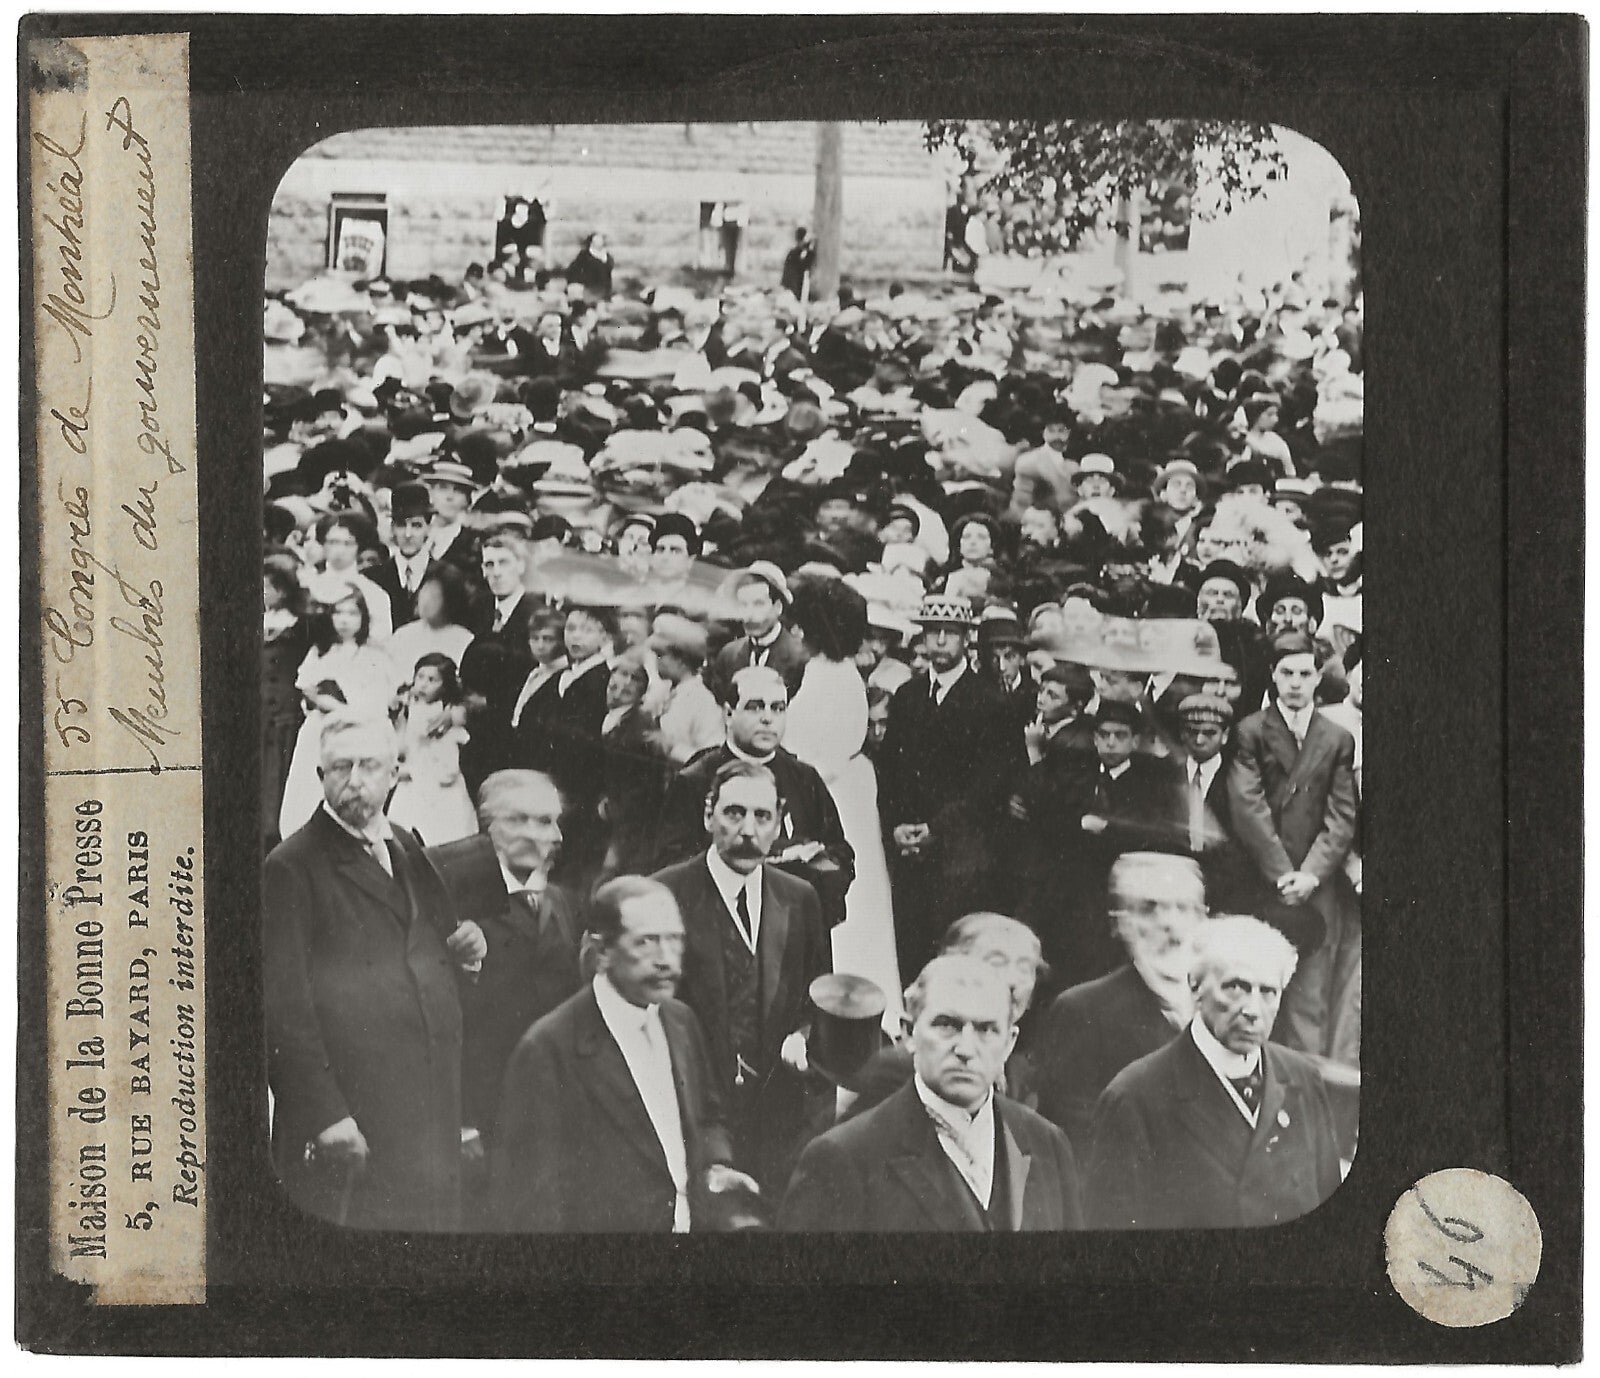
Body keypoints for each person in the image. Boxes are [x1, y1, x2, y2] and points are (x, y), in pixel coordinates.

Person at [264, 713, 487, 1230]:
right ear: (320, 777)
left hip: (427, 1106)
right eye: (340, 767)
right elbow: (281, 1007)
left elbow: (431, 946)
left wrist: (469, 952)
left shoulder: (406, 844)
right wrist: (325, 1116)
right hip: (355, 1117)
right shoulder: (291, 866)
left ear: (395, 773)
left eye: (369, 766)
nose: (355, 780)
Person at [491, 876, 760, 1232]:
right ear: (603, 952)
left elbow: (708, 1118)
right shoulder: (548, 1049)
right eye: (646, 942)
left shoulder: (681, 1022)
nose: (666, 960)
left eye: (674, 940)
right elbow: (533, 1206)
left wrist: (716, 1167)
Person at [779, 954, 1083, 1232]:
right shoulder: (844, 1157)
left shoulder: (1047, 1143)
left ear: (1009, 1042)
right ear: (909, 1033)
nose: (965, 1049)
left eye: (986, 1029)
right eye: (947, 1025)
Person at [1084, 915, 1342, 1229]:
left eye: (1268, 992)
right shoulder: (1136, 1096)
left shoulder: (1303, 1079)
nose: (1252, 1010)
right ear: (1195, 985)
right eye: (1236, 987)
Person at [653, 760, 831, 1192]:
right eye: (734, 813)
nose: (748, 830)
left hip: (777, 1124)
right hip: (691, 1117)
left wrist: (804, 1037)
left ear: (779, 822)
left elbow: (818, 999)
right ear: (708, 814)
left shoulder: (800, 897)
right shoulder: (664, 894)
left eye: (762, 816)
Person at [1228, 632, 1360, 1067]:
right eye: (1287, 673)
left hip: (1315, 886)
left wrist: (1311, 876)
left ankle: (1307, 1099)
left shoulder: (1337, 737)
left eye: (1305, 673)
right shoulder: (1250, 731)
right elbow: (1249, 807)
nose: (1296, 683)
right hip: (1265, 880)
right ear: (1272, 675)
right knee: (1253, 992)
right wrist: (1284, 876)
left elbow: (1342, 815)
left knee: (1310, 997)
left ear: (1319, 677)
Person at [878, 595, 1026, 980]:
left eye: (950, 633)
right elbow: (890, 771)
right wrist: (897, 825)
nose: (940, 641)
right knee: (909, 949)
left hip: (963, 853)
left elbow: (991, 784)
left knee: (955, 949)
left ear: (966, 640)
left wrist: (938, 830)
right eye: (932, 633)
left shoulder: (991, 702)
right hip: (910, 850)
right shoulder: (908, 696)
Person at [1035, 853, 1210, 1157]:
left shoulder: (1225, 1006)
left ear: (1204, 918)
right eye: (1149, 909)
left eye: (1183, 908)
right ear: (1121, 923)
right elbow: (1072, 1140)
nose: (1170, 923)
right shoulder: (1082, 1010)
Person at [782, 576, 902, 1019]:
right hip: (841, 793)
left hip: (832, 798)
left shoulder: (828, 679)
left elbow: (818, 755)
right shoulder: (835, 674)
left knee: (848, 907)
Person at [655, 665, 856, 929]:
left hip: (794, 930)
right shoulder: (695, 779)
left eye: (778, 708)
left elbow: (840, 854)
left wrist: (807, 865)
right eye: (755, 707)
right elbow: (673, 865)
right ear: (728, 713)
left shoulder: (805, 777)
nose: (767, 718)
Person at [458, 770, 584, 1148]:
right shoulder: (455, 905)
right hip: (483, 1113)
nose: (548, 835)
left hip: (552, 1105)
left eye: (550, 822)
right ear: (494, 828)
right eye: (522, 820)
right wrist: (461, 1123)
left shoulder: (563, 902)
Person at [276, 586, 399, 840]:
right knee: (306, 796)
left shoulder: (373, 656)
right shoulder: (320, 652)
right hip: (316, 735)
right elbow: (306, 691)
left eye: (352, 613)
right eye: (338, 613)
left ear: (363, 617)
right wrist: (314, 701)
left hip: (355, 736)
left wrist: (329, 703)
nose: (344, 620)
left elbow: (373, 708)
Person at [388, 653, 477, 845]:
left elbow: (448, 767)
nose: (423, 684)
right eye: (420, 677)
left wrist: (415, 771)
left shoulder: (443, 717)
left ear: (445, 685)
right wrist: (399, 719)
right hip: (411, 784)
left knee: (440, 837)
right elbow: (402, 748)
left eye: (432, 680)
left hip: (438, 785)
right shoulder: (410, 710)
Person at [710, 562, 805, 698]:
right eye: (743, 605)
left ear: (778, 607)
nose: (749, 614)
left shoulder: (799, 658)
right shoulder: (728, 656)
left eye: (758, 604)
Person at [649, 612, 724, 765]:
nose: (656, 661)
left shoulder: (702, 701)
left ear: (681, 660)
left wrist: (672, 749)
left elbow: (710, 759)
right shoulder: (665, 692)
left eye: (661, 655)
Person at [369, 481, 441, 628]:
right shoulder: (372, 578)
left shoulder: (445, 577)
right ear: (392, 528)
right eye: (401, 525)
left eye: (416, 525)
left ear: (429, 528)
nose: (408, 534)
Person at [781, 226, 816, 299]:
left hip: (790, 286)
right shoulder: (796, 253)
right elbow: (804, 266)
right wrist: (811, 253)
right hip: (793, 287)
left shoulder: (794, 252)